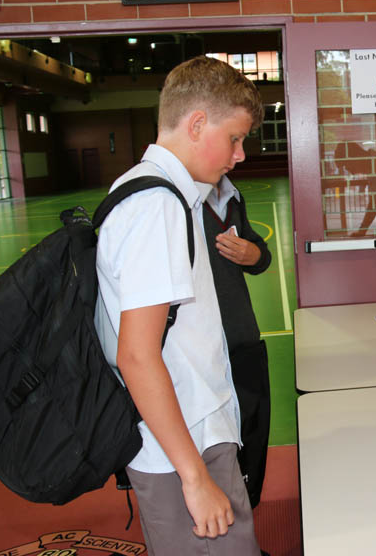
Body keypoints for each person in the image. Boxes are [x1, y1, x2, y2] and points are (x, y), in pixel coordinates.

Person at [94, 55, 263, 555]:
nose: (239, 155)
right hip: (181, 445)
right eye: (234, 138)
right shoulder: (156, 206)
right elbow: (136, 355)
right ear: (196, 124)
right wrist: (193, 476)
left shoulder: (165, 195)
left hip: (192, 430)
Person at [200, 174, 272, 509]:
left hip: (242, 339)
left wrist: (254, 254)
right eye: (232, 146)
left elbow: (260, 254)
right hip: (202, 353)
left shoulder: (232, 196)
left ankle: (244, 517)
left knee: (249, 442)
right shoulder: (174, 201)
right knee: (213, 452)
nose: (240, 155)